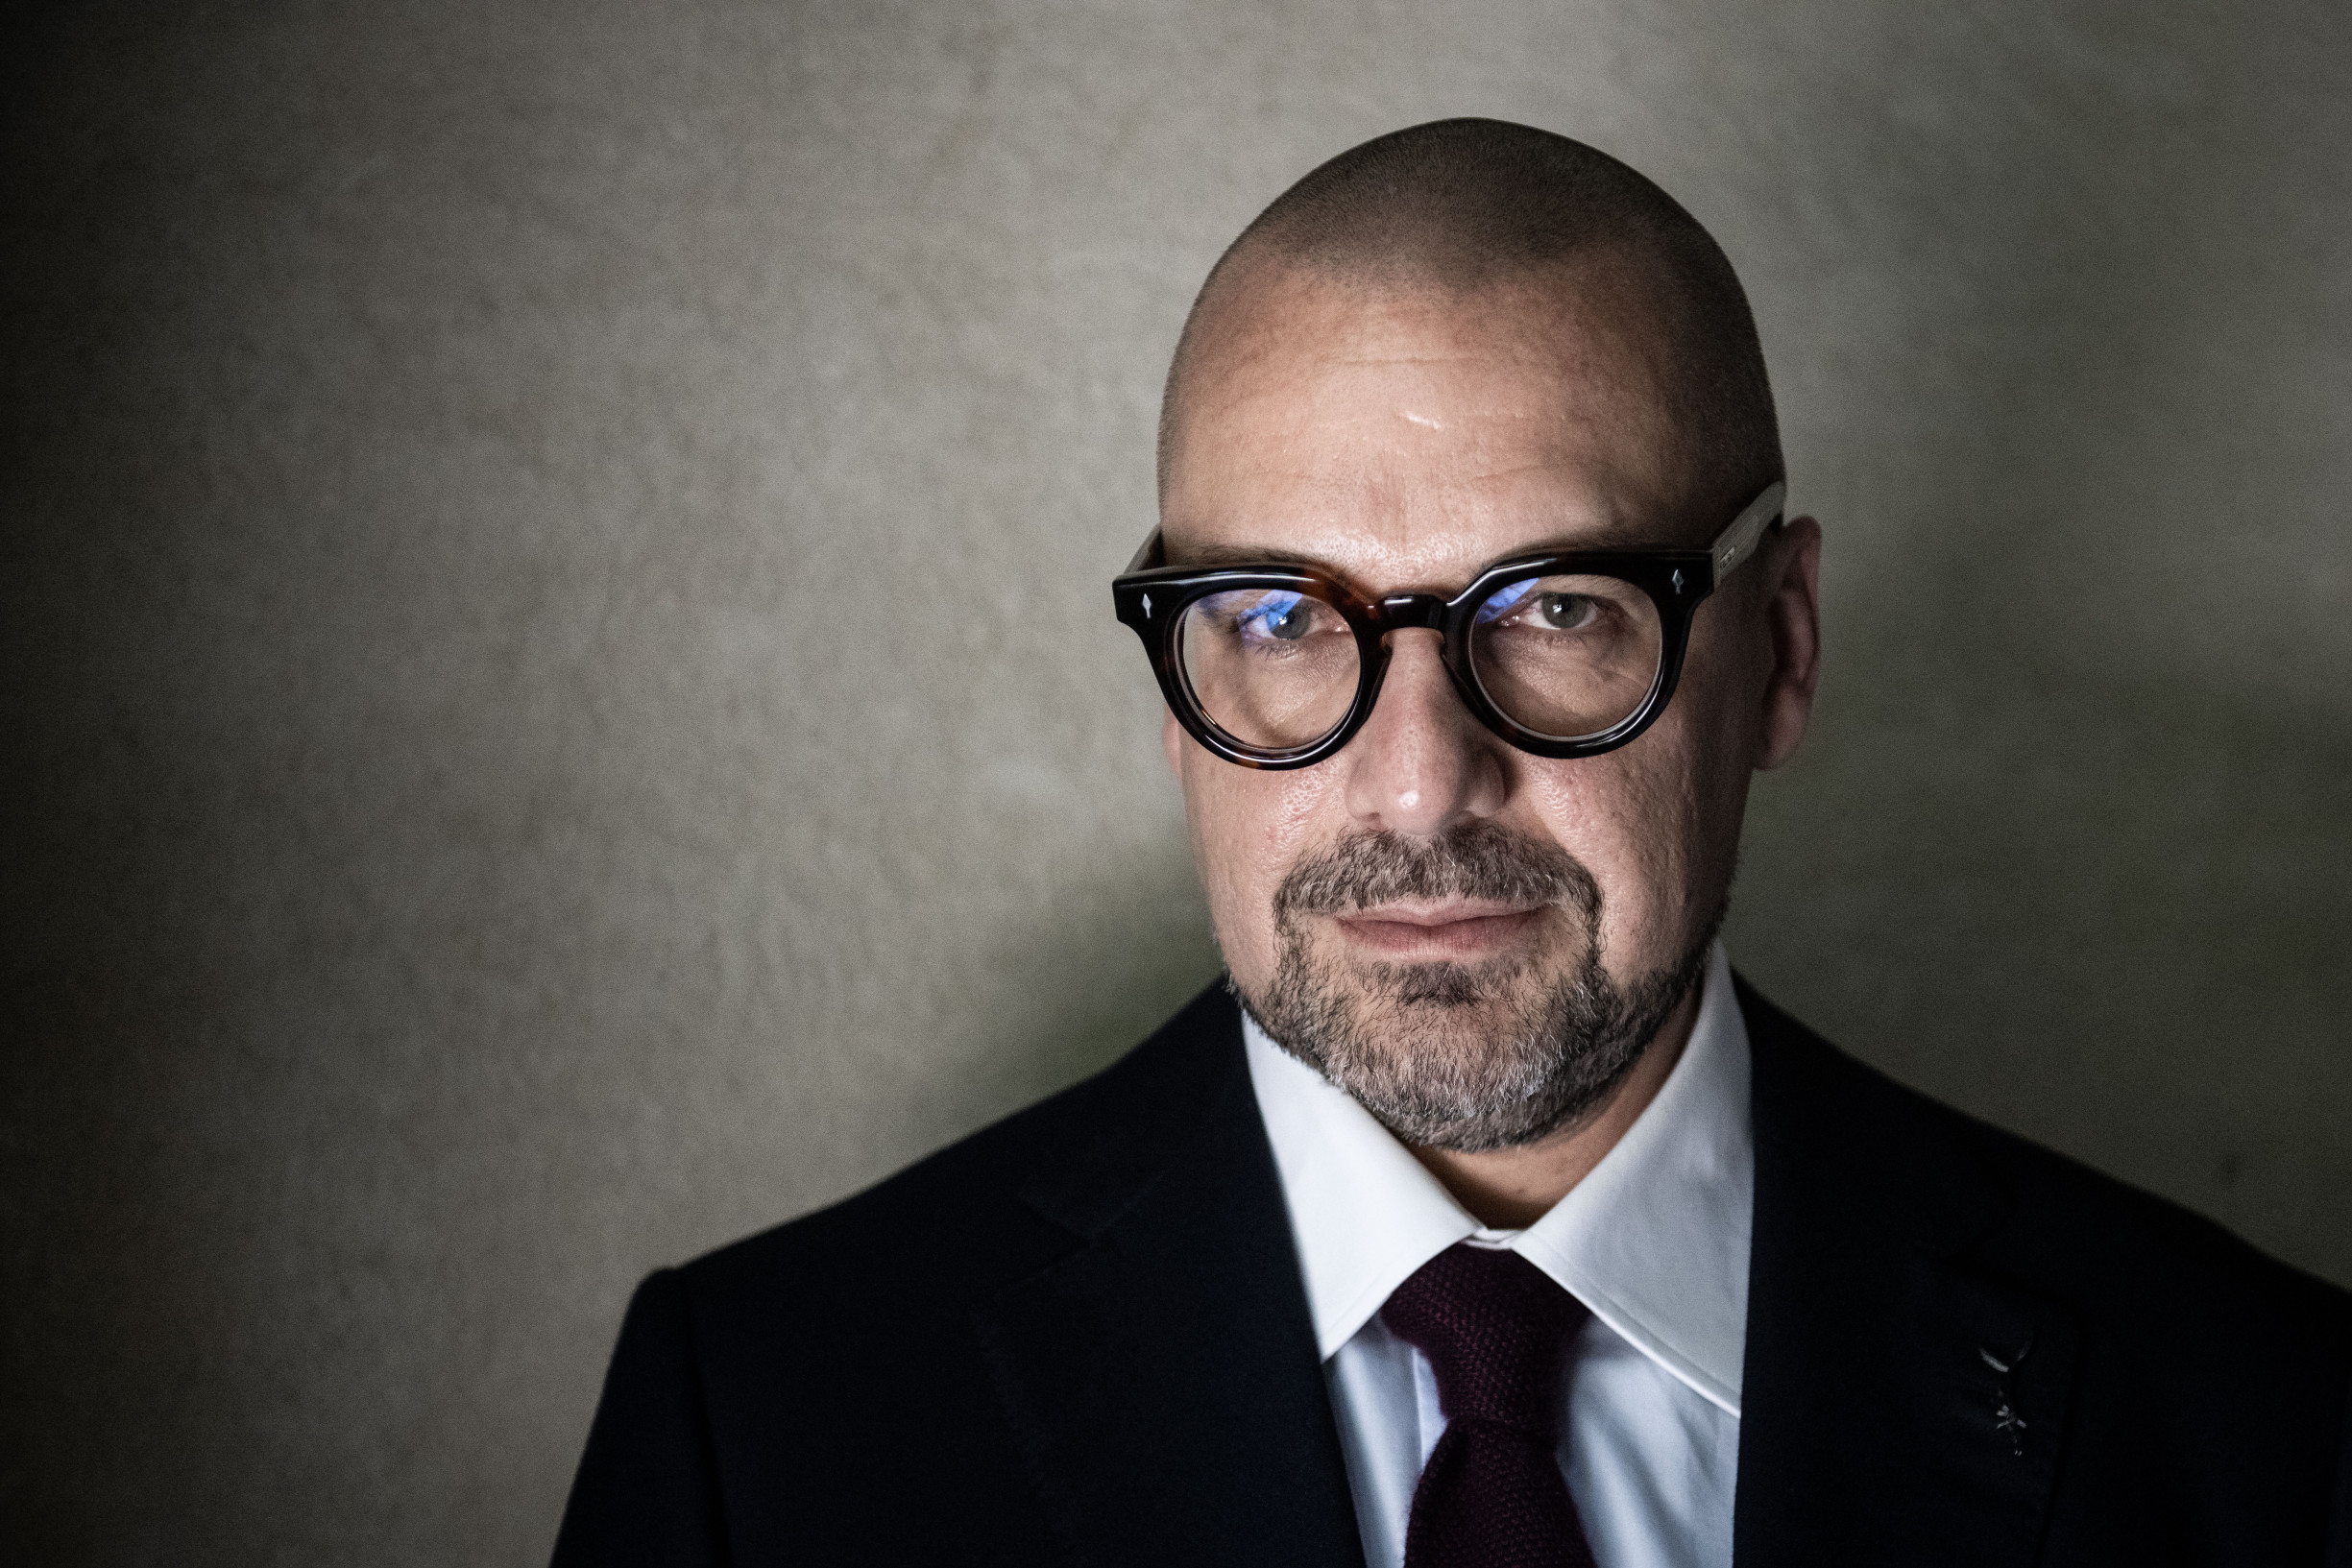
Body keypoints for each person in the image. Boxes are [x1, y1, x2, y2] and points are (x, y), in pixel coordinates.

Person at [549, 119, 2352, 1568]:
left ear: (1780, 650)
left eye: (1558, 609)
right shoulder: (760, 1429)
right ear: (1176, 679)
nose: (1419, 786)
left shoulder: (2266, 1431)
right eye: (1278, 620)